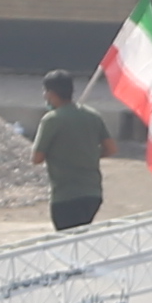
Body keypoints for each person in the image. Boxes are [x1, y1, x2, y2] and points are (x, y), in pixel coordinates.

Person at [29, 72, 112, 232]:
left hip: (66, 196)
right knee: (80, 239)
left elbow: (37, 157)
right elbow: (111, 148)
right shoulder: (92, 116)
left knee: (66, 244)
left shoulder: (51, 120)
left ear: (51, 93)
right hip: (92, 194)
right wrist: (89, 154)